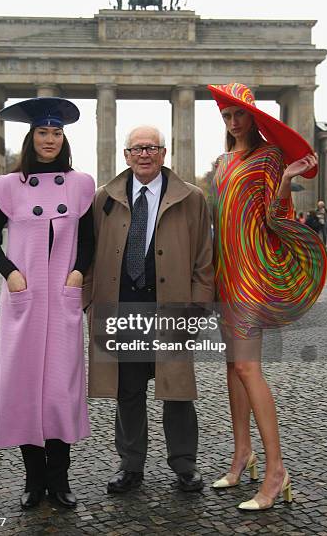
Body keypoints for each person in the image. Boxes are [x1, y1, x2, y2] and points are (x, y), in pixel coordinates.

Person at [207, 83, 327, 511]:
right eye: (227, 116)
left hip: (252, 275)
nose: (234, 122)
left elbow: (275, 218)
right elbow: (216, 220)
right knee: (231, 368)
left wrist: (287, 179)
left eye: (240, 115)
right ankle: (243, 456)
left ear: (254, 117)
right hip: (225, 274)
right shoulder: (220, 163)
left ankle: (276, 471)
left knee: (247, 367)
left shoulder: (270, 158)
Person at [84, 126, 214, 494]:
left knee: (177, 391)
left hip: (171, 308)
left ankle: (184, 464)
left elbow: (205, 259)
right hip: (121, 307)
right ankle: (130, 465)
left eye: (151, 148)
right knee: (128, 390)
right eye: (137, 148)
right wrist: (89, 303)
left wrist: (197, 308)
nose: (144, 154)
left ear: (163, 152)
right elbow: (89, 254)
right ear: (126, 155)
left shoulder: (192, 198)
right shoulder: (102, 198)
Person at [0, 97, 95, 510]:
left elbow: (89, 241)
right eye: (43, 133)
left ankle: (59, 479)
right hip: (24, 300)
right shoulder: (6, 186)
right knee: (25, 386)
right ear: (31, 138)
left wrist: (78, 273)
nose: (50, 139)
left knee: (58, 391)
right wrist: (11, 273)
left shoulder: (82, 184)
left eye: (57, 132)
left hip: (62, 299)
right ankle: (33, 480)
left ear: (64, 139)